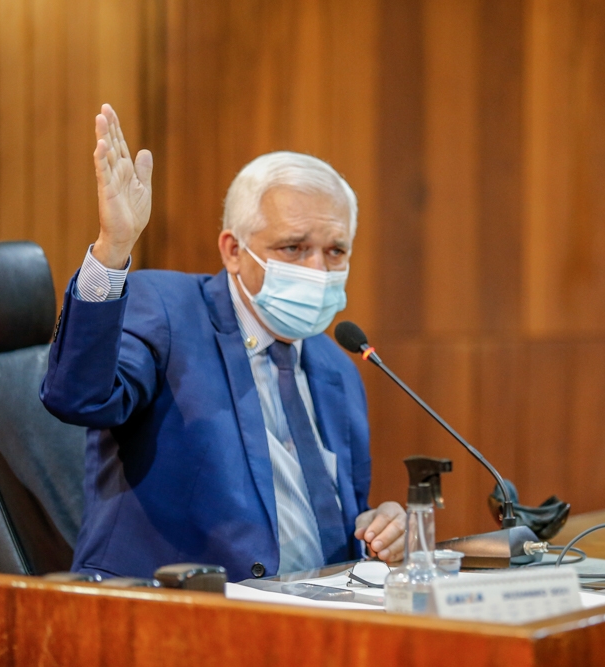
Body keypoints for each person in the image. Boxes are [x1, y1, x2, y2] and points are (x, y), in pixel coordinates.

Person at [41, 104, 405, 579]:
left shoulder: (337, 367)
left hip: (323, 619)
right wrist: (112, 251)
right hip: (177, 617)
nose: (318, 270)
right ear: (234, 250)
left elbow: (317, 517)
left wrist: (381, 528)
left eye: (335, 251)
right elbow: (79, 399)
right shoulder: (167, 311)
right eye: (294, 247)